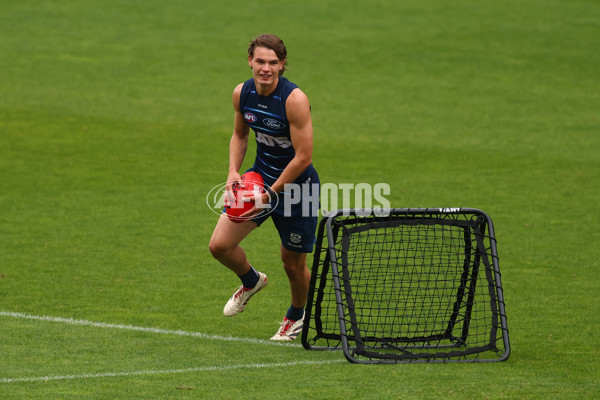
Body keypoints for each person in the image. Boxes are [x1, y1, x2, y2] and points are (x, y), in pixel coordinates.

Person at [208, 34, 319, 341]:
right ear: (250, 61)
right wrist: (233, 171)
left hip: (298, 190)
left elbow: (304, 156)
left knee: (293, 264)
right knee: (219, 246)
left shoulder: (294, 100)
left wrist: (274, 191)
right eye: (260, 61)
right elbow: (240, 136)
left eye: (272, 63)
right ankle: (252, 280)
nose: (265, 68)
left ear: (282, 65)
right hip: (259, 180)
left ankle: (296, 316)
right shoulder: (242, 94)